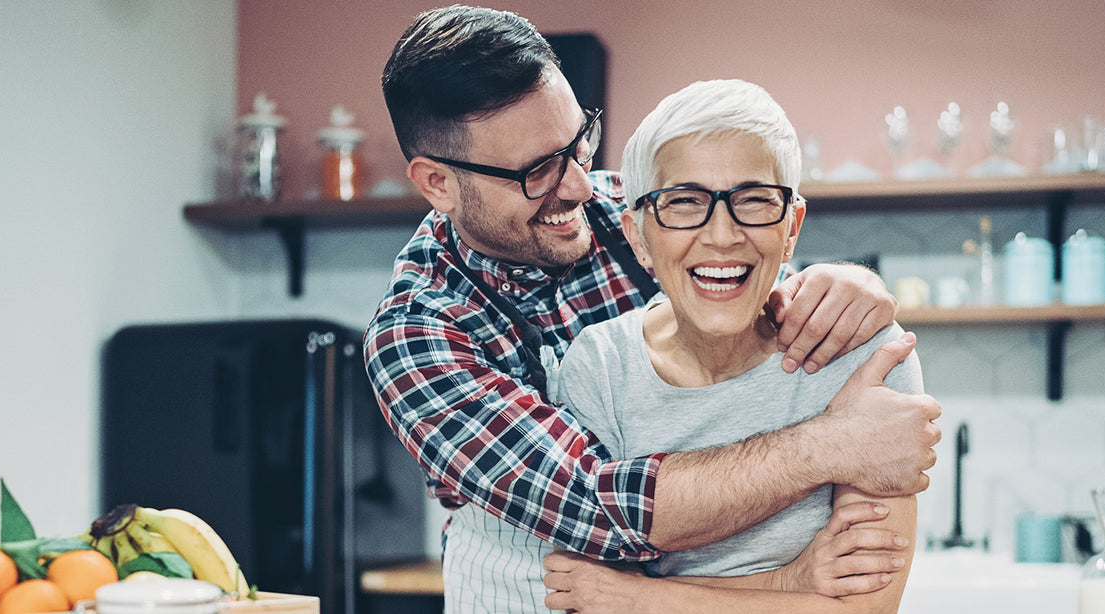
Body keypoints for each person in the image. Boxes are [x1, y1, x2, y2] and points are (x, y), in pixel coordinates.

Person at [364, 5, 940, 611]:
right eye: (537, 171)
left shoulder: (636, 210)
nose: (581, 187)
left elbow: (748, 264)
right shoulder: (417, 333)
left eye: (578, 143)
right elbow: (600, 510)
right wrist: (828, 458)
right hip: (529, 590)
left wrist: (841, 285)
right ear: (437, 183)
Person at [539, 79, 921, 613]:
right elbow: (583, 597)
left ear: (791, 227)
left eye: (754, 200)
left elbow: (863, 609)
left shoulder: (862, 352)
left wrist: (639, 597)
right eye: (684, 201)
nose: (722, 235)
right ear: (638, 236)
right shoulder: (600, 365)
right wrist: (790, 583)